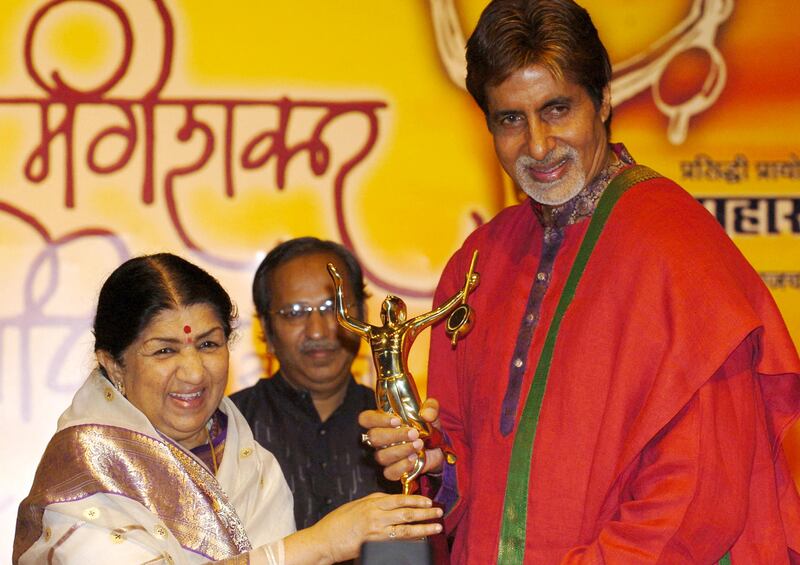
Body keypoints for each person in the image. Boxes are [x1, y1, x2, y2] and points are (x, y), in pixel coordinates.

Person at [360, 1, 800, 563]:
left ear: (604, 99)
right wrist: (435, 465)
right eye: (510, 119)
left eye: (557, 109)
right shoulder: (477, 265)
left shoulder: (678, 250)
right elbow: (472, 460)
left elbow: (697, 493)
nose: (538, 145)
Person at [13, 253, 442, 565]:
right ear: (114, 364)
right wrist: (317, 545)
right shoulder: (85, 471)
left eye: (209, 344)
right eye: (164, 351)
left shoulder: (248, 460)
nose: (194, 372)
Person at [230, 238, 399, 530]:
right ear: (267, 331)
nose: (318, 331)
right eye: (295, 312)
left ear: (363, 316)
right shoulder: (231, 425)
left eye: (335, 307)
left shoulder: (395, 425)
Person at [327, 261, 478, 494]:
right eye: (384, 307)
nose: (386, 310)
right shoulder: (373, 332)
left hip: (400, 380)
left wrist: (463, 291)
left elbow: (437, 313)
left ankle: (438, 449)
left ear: (399, 312)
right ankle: (410, 477)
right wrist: (337, 285)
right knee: (392, 433)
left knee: (418, 427)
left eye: (390, 306)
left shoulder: (406, 329)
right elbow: (343, 319)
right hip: (383, 384)